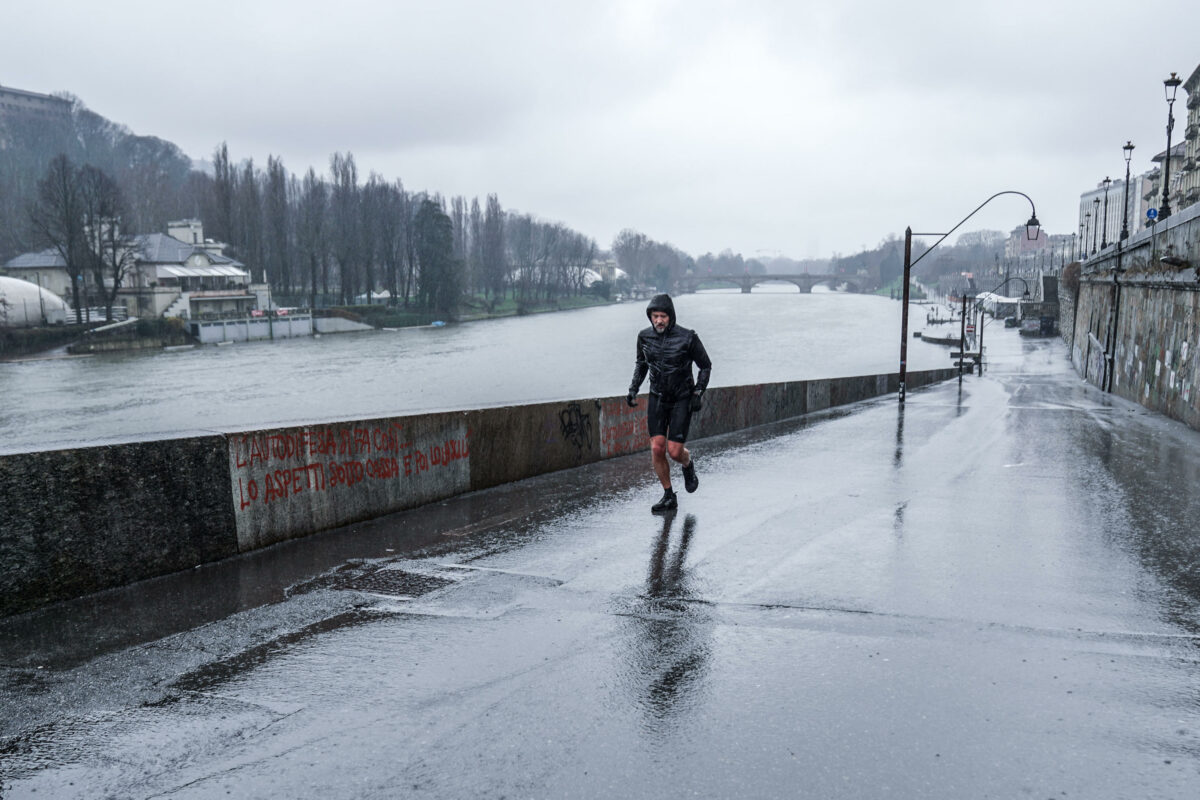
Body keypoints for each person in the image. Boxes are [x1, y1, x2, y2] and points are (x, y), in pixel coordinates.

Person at [627, 293, 712, 512]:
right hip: (657, 396)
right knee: (657, 447)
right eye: (655, 316)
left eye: (663, 316)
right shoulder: (644, 337)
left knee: (674, 452)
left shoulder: (688, 337)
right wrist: (634, 388)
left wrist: (698, 392)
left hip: (682, 398)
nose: (659, 320)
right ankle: (668, 495)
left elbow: (705, 365)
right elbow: (641, 364)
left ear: (670, 316)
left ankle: (687, 463)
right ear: (650, 317)